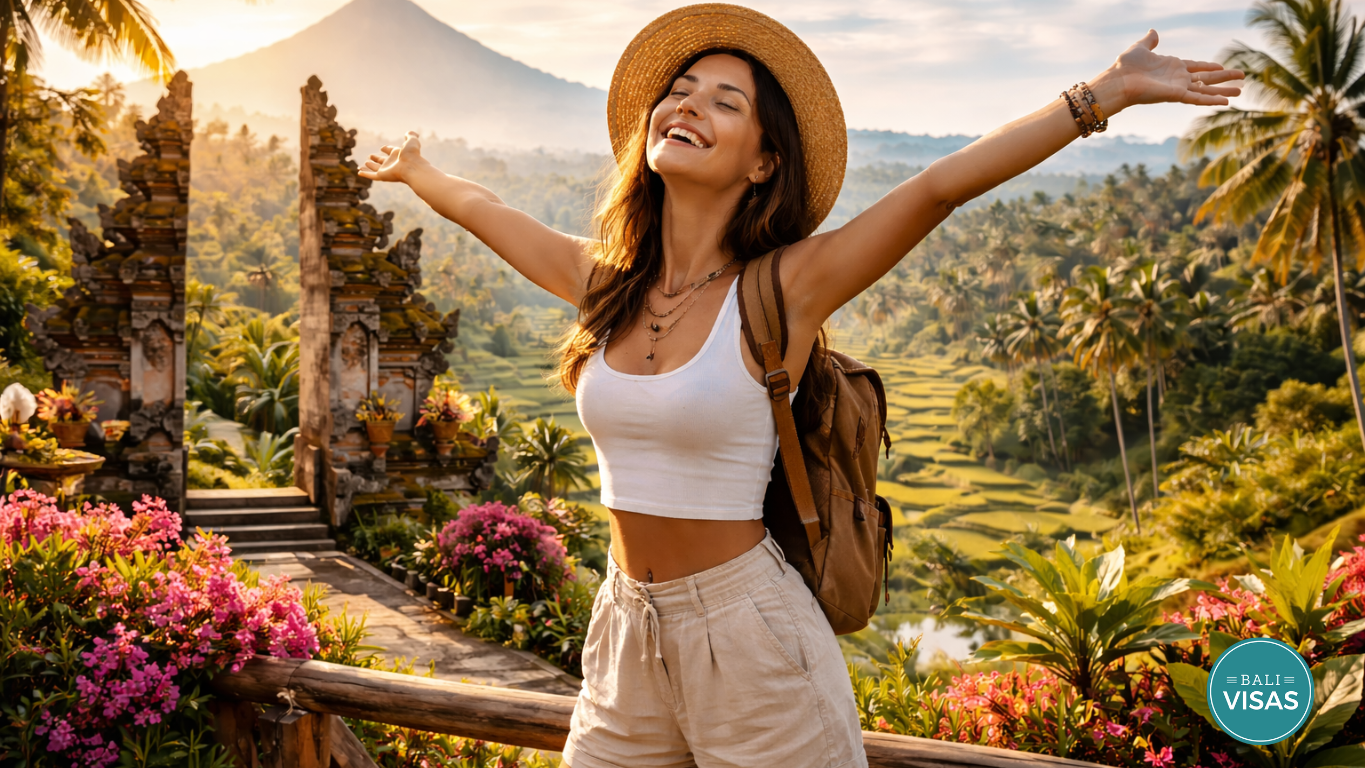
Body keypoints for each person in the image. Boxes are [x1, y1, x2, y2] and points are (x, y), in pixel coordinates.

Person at [359, 5, 1241, 766]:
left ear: (762, 162)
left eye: (723, 100)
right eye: (681, 88)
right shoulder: (610, 284)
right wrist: (417, 171)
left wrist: (1101, 93)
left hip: (750, 634)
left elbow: (936, 189)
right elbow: (487, 210)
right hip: (624, 625)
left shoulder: (780, 290)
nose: (687, 103)